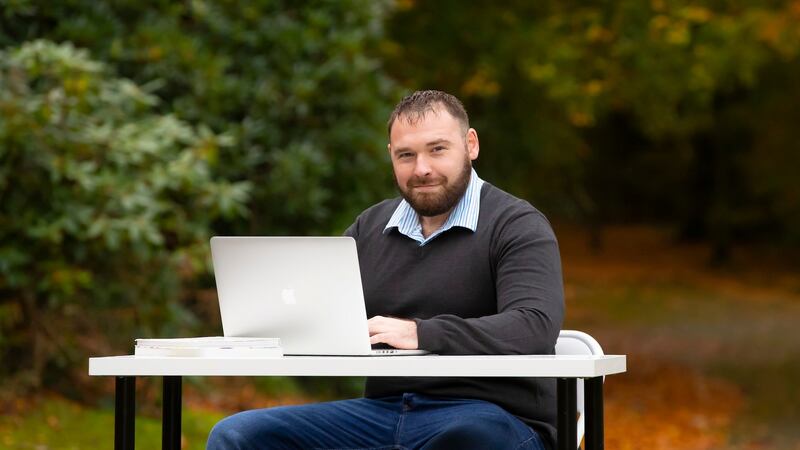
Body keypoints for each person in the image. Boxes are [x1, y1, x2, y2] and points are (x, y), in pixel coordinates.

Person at [207, 90, 565, 450]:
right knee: (236, 436)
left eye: (437, 149)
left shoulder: (517, 224)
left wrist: (421, 334)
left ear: (470, 145)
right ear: (391, 157)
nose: (421, 168)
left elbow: (533, 325)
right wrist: (267, 329)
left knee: (465, 441)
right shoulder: (370, 227)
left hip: (493, 417)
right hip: (382, 412)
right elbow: (320, 314)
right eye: (406, 155)